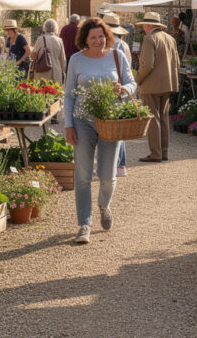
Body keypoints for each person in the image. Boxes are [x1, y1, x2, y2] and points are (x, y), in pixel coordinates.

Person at [64, 17, 137, 244]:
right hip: (82, 122)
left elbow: (132, 83)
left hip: (111, 121)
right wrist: (68, 125)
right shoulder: (76, 60)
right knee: (83, 175)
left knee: (107, 176)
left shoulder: (118, 55)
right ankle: (84, 224)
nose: (98, 40)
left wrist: (124, 88)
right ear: (85, 39)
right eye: (93, 37)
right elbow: (68, 94)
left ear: (107, 36)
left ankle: (104, 205)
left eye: (101, 36)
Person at [135, 12, 179, 162]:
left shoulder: (149, 39)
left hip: (151, 85)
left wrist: (137, 80)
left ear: (148, 26)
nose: (143, 29)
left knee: (153, 119)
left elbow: (147, 65)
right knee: (163, 118)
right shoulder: (170, 38)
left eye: (144, 26)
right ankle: (164, 152)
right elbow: (177, 63)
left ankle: (156, 153)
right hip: (168, 84)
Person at [102, 12, 132, 176]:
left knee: (111, 129)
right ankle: (120, 165)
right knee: (118, 128)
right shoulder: (124, 45)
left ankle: (117, 164)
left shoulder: (111, 46)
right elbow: (128, 70)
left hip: (112, 89)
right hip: (122, 89)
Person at [31, 19, 67, 84]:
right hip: (56, 71)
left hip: (43, 71)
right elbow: (63, 59)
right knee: (55, 91)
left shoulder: (40, 39)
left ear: (45, 27)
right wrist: (62, 71)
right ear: (55, 28)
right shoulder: (59, 40)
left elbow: (33, 56)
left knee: (43, 91)